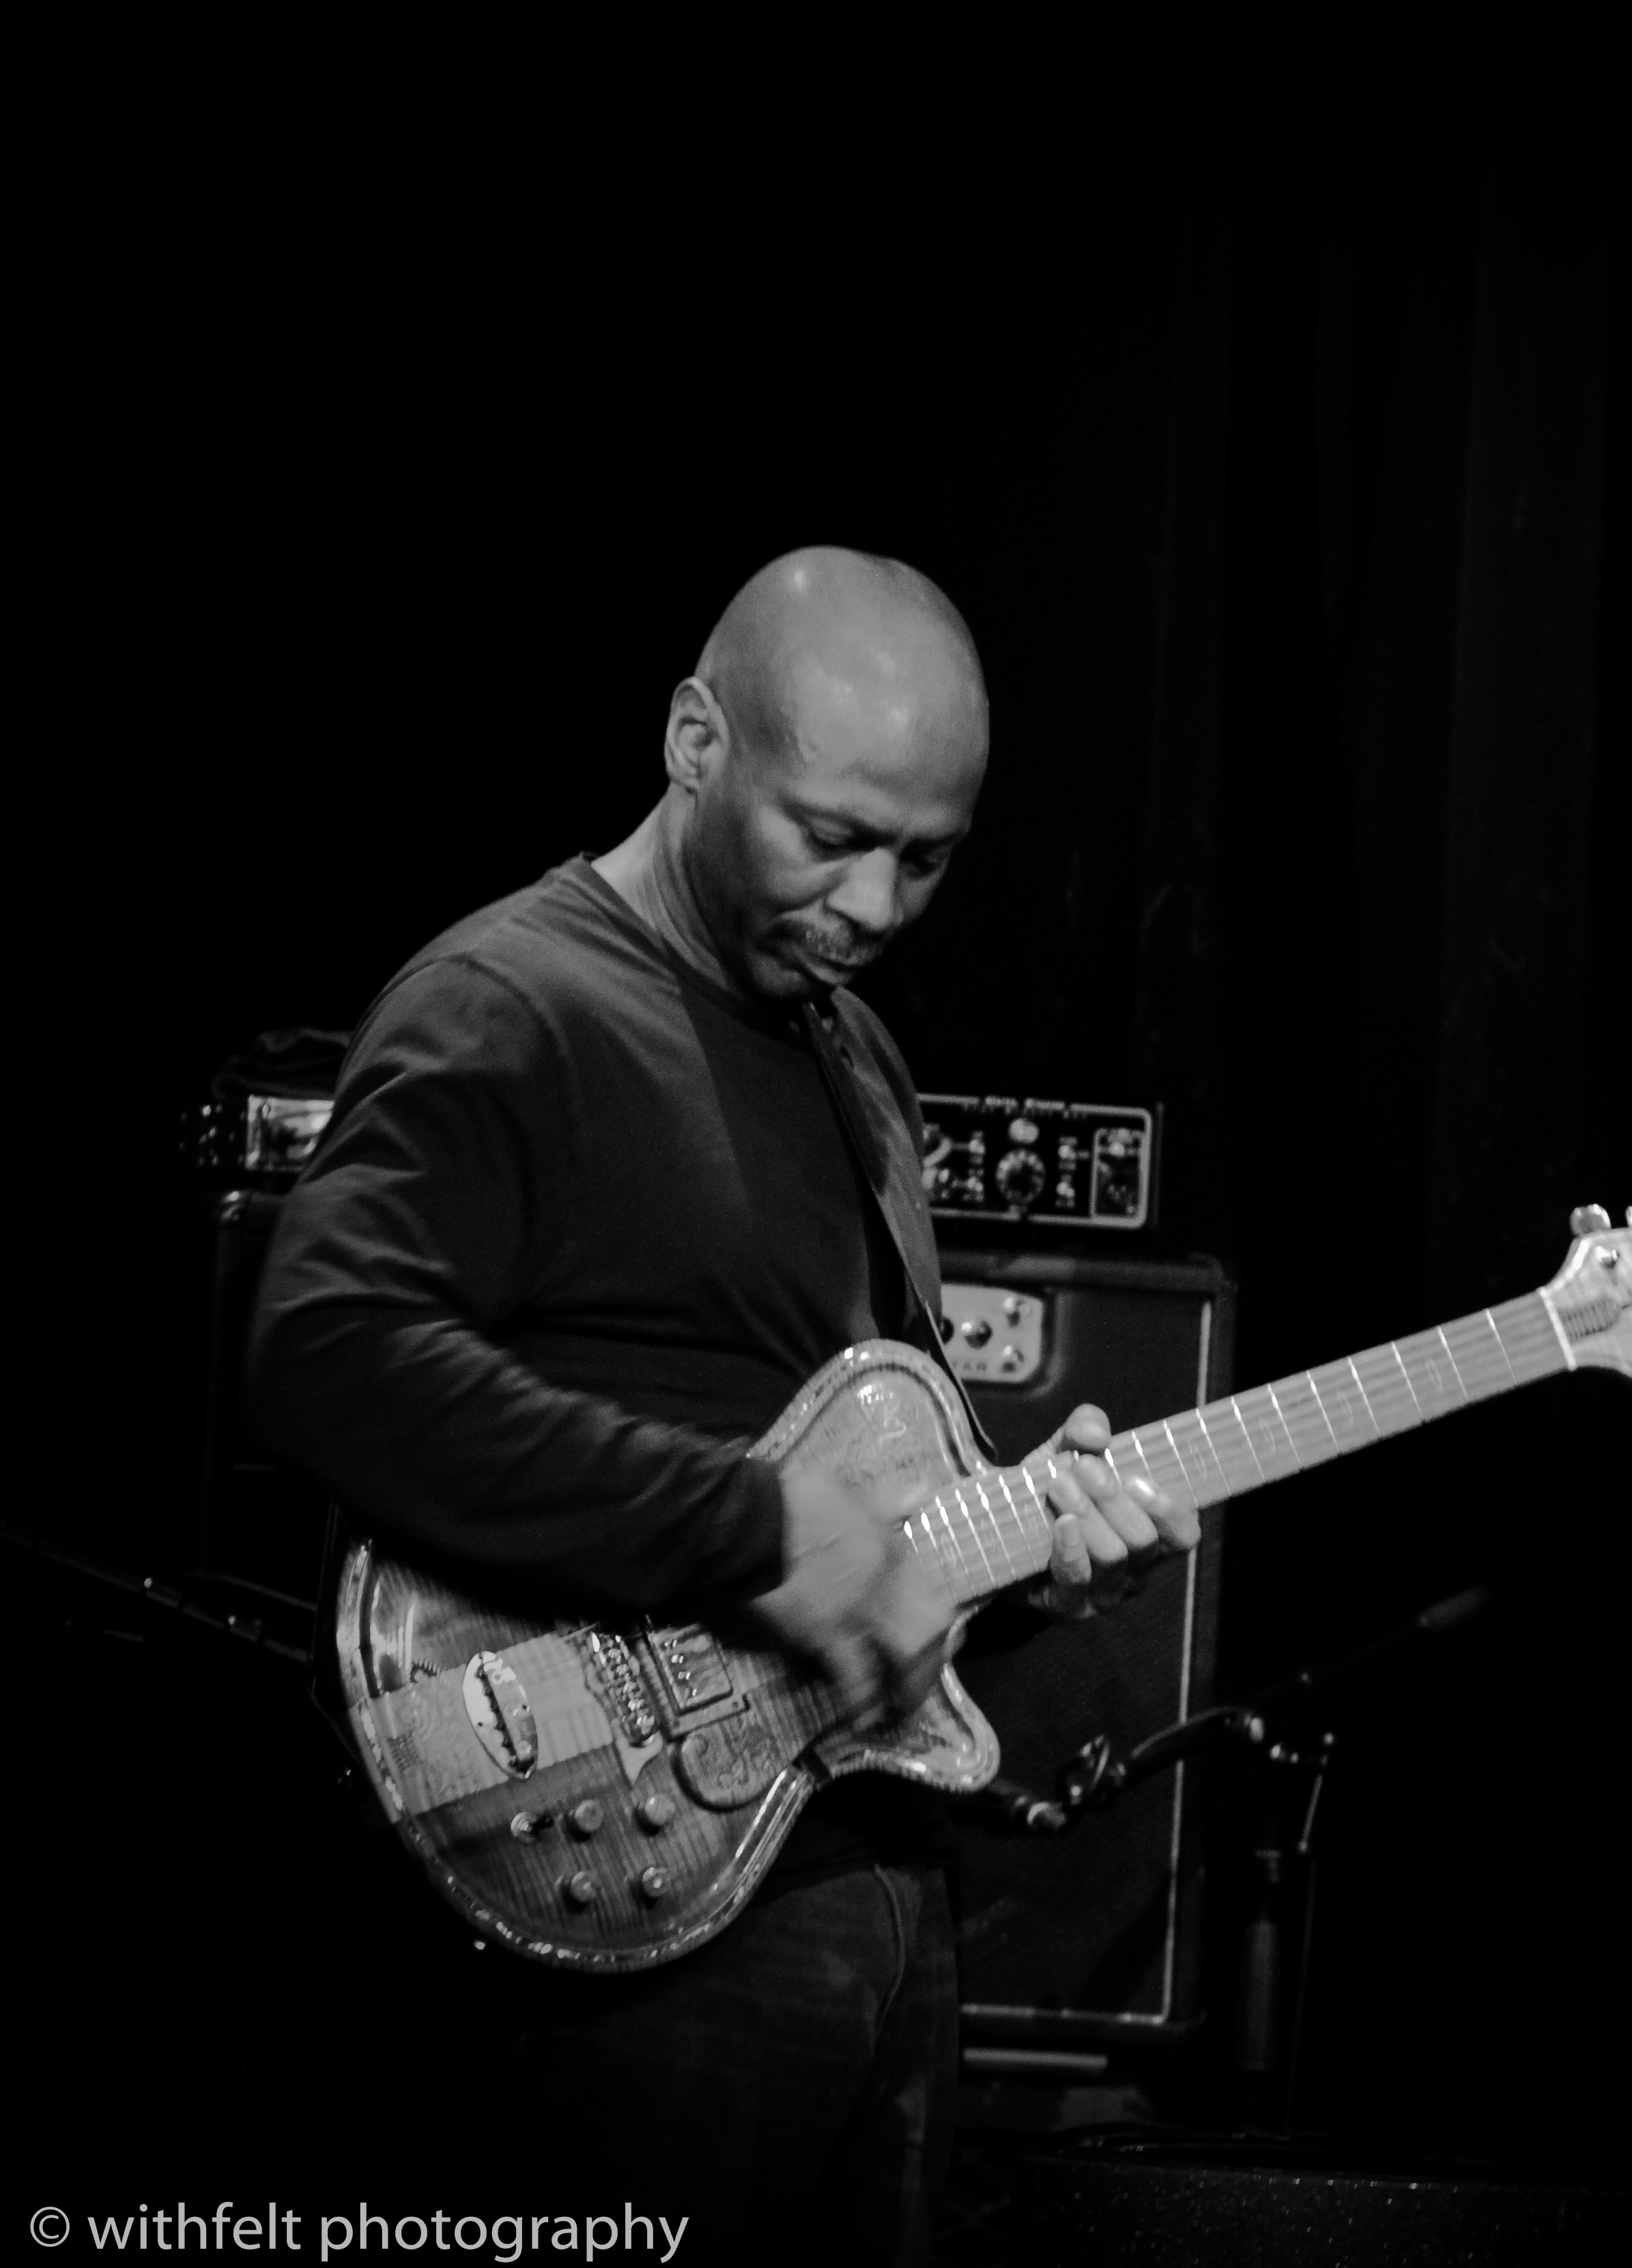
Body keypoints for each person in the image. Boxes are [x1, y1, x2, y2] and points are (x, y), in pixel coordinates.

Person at [247, 547, 1197, 2261]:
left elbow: (850, 1510)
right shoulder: (516, 1002)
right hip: (624, 1905)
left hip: (870, 1883)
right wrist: (756, 1527)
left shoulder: (856, 1059)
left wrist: (1023, 1568)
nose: (876, 907)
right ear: (697, 741)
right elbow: (325, 1348)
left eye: (927, 858)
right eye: (827, 835)